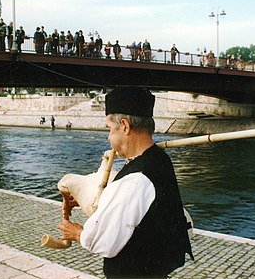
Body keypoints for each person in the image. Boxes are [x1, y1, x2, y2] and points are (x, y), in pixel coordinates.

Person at [58, 87, 193, 278]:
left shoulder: (136, 179)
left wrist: (77, 232)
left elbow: (106, 242)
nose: (108, 137)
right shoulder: (160, 159)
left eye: (109, 129)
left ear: (124, 126)